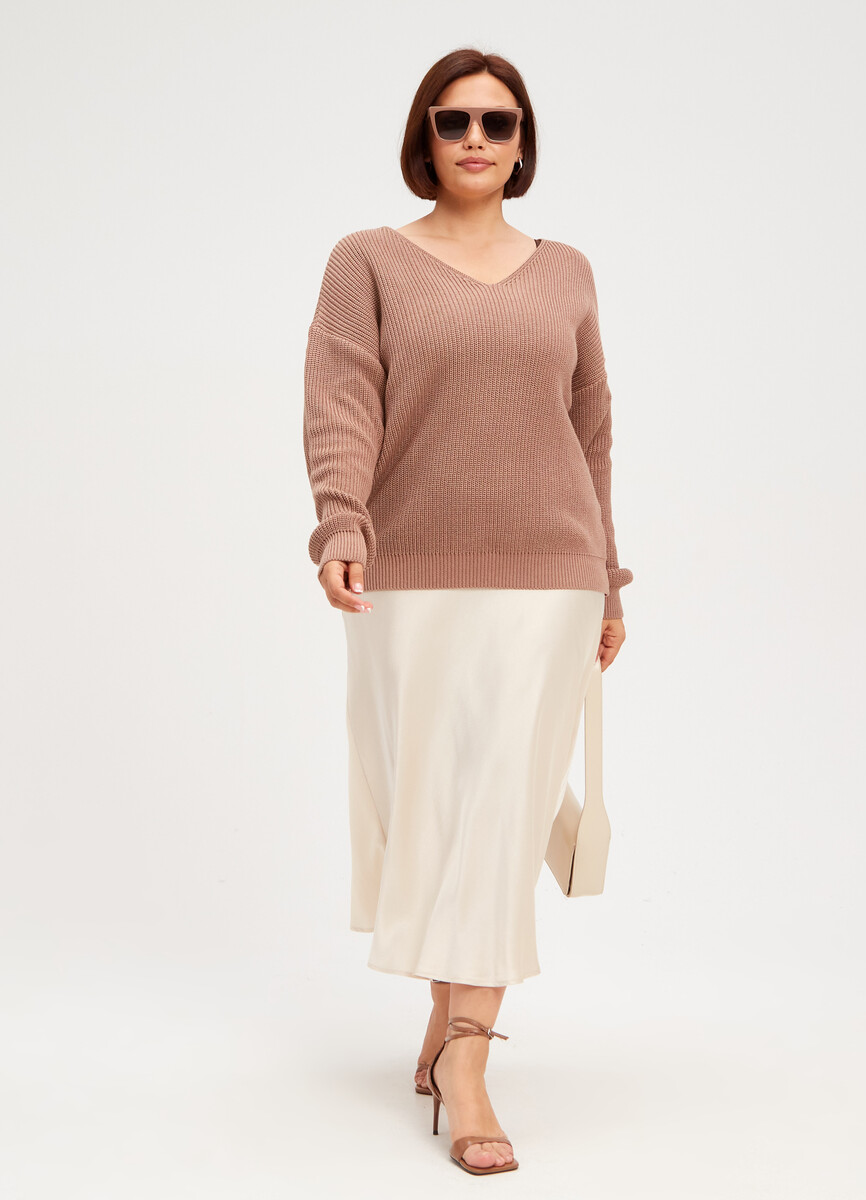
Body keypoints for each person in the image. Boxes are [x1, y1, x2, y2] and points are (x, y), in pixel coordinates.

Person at [302, 47, 633, 1176]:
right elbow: (343, 399)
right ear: (426, 138)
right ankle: (446, 1023)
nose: (477, 139)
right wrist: (341, 522)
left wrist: (609, 575)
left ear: (524, 140)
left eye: (499, 121)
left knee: (502, 809)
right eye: (455, 122)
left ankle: (468, 1060)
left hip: (551, 570)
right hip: (409, 571)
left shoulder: (567, 271)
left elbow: (590, 428)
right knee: (433, 802)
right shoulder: (368, 260)